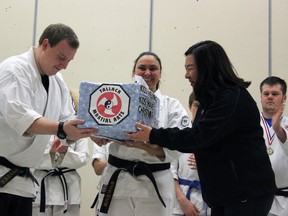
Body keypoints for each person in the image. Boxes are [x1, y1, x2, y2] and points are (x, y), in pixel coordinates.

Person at [126, 40, 277, 216]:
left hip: (246, 193)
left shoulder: (231, 98)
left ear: (207, 67)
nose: (186, 75)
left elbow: (197, 137)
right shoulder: (209, 99)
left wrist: (153, 135)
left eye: (190, 68)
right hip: (225, 193)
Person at [0, 23, 96, 216]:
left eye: (69, 60)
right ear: (45, 44)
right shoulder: (14, 69)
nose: (64, 65)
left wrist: (91, 132)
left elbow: (67, 119)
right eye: (61, 57)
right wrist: (62, 128)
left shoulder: (57, 80)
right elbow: (22, 118)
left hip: (24, 183)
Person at [90, 51, 191, 216]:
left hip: (156, 183)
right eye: (142, 68)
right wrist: (95, 133)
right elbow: (93, 125)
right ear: (134, 72)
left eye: (153, 68)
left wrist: (146, 146)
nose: (147, 73)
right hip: (118, 182)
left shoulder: (172, 106)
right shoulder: (118, 99)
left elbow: (180, 146)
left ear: (160, 73)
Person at [32, 90, 90, 216]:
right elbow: (30, 156)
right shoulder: (38, 124)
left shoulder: (80, 127)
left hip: (69, 189)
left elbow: (83, 158)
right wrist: (51, 153)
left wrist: (65, 153)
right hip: (41, 187)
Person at [170, 92, 210, 216]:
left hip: (208, 199)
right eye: (197, 105)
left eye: (205, 106)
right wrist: (182, 200)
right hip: (181, 200)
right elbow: (170, 171)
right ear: (189, 106)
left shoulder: (216, 135)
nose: (200, 111)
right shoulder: (181, 134)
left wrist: (205, 166)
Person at [259, 76, 288, 216]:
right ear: (261, 97)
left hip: (284, 202)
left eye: (275, 94)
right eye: (266, 93)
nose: (270, 97)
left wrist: (277, 128)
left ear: (284, 98)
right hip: (255, 200)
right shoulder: (249, 124)